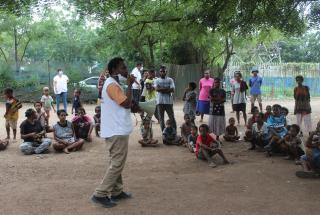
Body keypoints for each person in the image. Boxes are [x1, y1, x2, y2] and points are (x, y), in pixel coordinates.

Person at [92, 57, 134, 208]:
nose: (126, 70)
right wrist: (130, 86)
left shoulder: (113, 84)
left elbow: (125, 104)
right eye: (123, 67)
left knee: (115, 161)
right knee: (117, 163)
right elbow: (126, 104)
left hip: (115, 129)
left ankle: (117, 191)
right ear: (114, 70)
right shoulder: (112, 85)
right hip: (116, 130)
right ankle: (100, 193)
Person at [154, 65, 177, 131]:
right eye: (161, 71)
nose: (162, 72)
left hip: (169, 102)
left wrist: (161, 89)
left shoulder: (170, 79)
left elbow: (172, 89)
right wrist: (167, 89)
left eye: (164, 71)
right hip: (160, 102)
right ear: (159, 72)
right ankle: (164, 133)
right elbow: (157, 89)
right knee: (161, 118)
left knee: (172, 118)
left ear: (166, 72)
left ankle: (174, 132)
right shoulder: (157, 80)